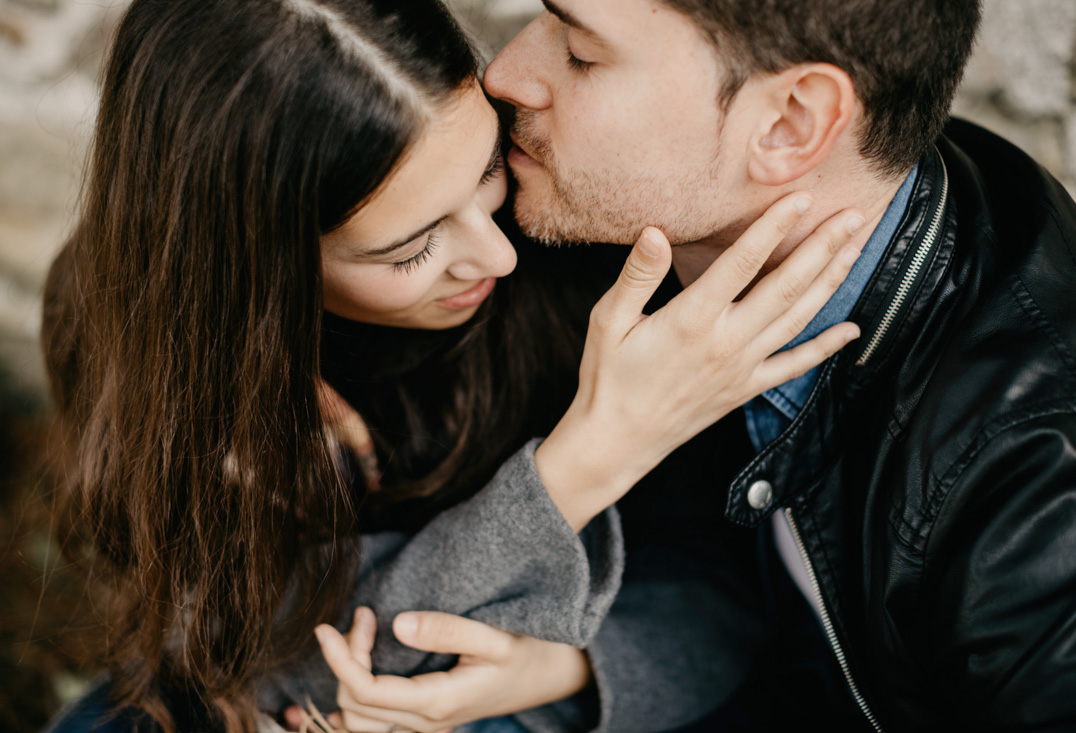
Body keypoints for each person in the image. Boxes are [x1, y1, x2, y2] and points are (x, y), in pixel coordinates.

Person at [38, 0, 864, 731]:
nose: (496, 254)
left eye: (488, 172)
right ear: (258, 264)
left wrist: (560, 672)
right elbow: (285, 668)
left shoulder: (570, 258)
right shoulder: (132, 329)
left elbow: (724, 599)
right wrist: (583, 462)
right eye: (413, 246)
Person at [315, 0, 1076, 731]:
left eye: (580, 52)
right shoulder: (627, 216)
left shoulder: (1031, 493)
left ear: (789, 123)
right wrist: (579, 661)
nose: (506, 71)